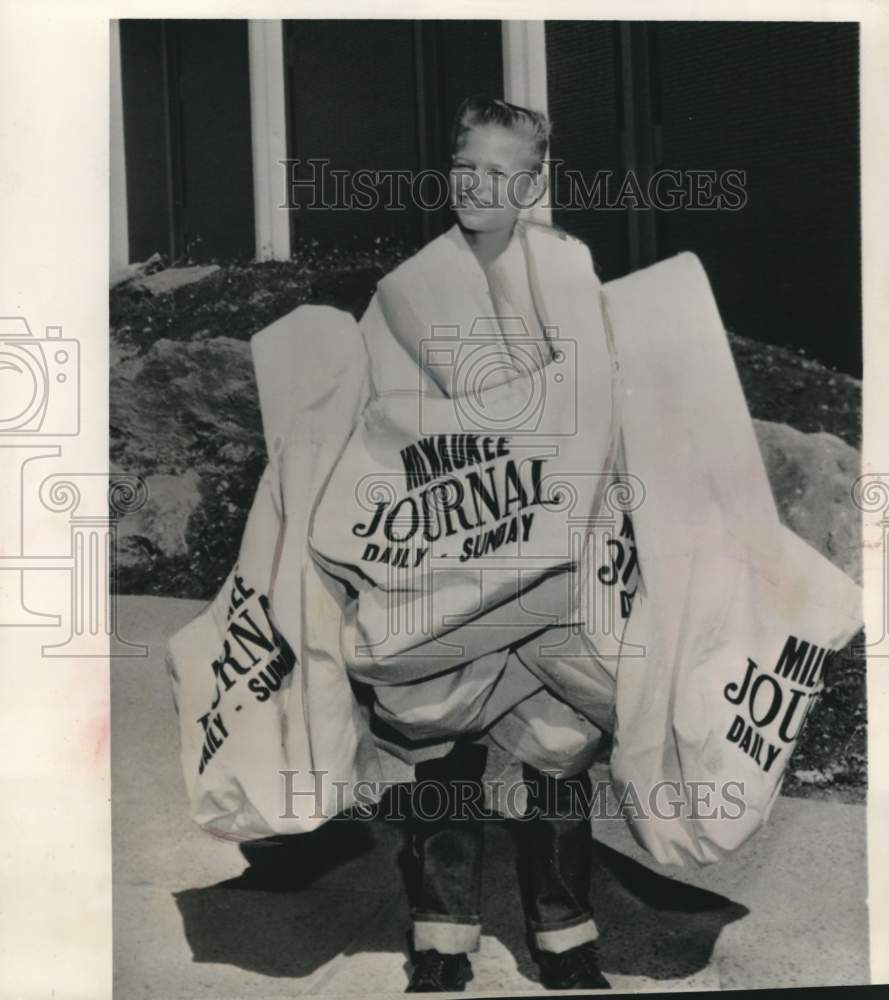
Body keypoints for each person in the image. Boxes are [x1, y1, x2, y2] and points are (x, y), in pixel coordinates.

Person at [362, 95, 613, 993]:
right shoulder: (407, 288)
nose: (480, 187)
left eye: (504, 173)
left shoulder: (568, 267)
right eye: (467, 168)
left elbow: (600, 399)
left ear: (535, 181)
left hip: (556, 539)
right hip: (447, 540)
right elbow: (374, 425)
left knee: (559, 739)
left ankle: (565, 939)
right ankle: (441, 940)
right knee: (441, 742)